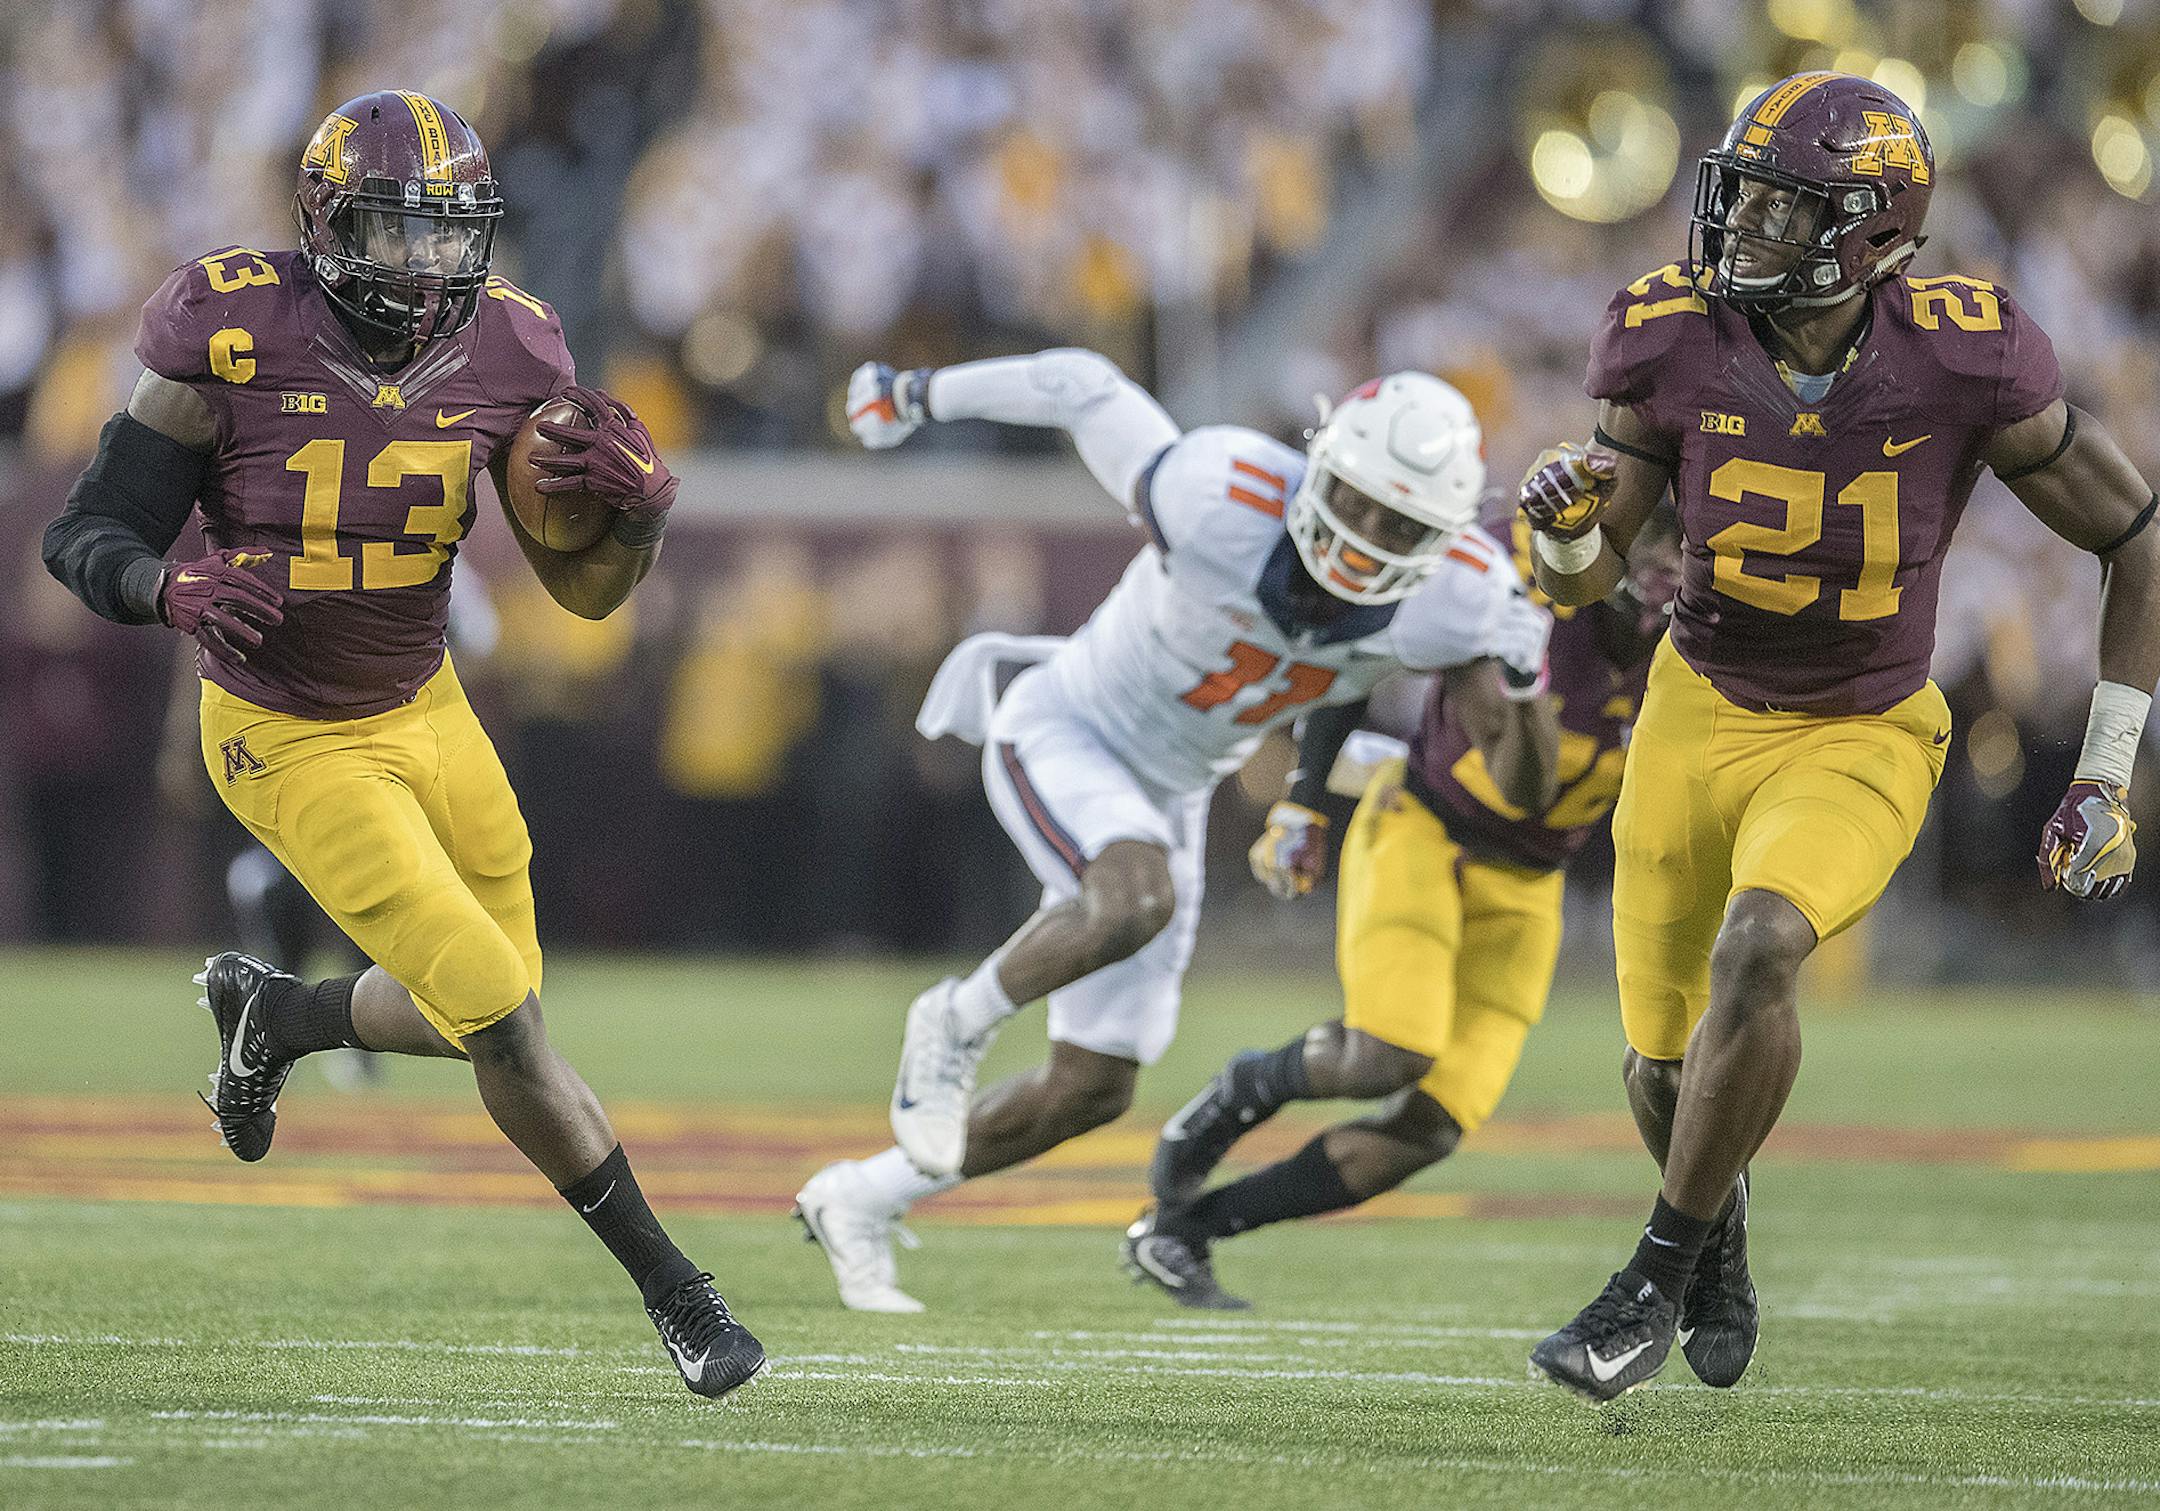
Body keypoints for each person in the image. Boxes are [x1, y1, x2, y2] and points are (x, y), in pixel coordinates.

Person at [40, 91, 763, 1399]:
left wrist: (641, 521)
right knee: (499, 1014)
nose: (428, 265)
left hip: (428, 708)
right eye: (396, 230)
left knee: (497, 999)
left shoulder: (513, 346)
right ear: (324, 222)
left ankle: (281, 1012)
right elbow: (87, 531)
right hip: (282, 727)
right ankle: (682, 1294)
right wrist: (167, 589)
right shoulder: (230, 325)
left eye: (449, 235)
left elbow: (586, 594)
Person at [1515, 71, 2160, 1402]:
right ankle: (1720, 1233)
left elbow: (2136, 539)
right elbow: (1585, 582)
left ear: (1870, 232)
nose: (1740, 224)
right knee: (1655, 1057)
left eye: (1779, 204)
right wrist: (1567, 525)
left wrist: (2106, 766)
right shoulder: (1666, 336)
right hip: (1697, 708)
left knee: (1765, 943)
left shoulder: (1966, 353)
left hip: (1863, 724)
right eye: (1739, 194)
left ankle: (1648, 1276)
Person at [792, 350, 1552, 1313]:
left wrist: (1523, 689)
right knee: (1135, 895)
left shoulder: (1463, 601)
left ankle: (860, 1198)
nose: (1363, 537)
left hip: (1174, 789)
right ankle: (957, 1017)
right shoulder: (1218, 494)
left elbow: (1508, 775)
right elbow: (1083, 386)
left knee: (1093, 1087)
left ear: (1440, 537)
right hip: (1068, 726)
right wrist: (918, 393)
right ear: (1317, 465)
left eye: (1398, 524)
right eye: (1355, 500)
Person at [1130, 519, 1679, 1308]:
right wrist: (1304, 799)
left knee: (1432, 1126)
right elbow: (1365, 652)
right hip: (1426, 830)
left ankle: (1184, 1230)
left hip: (1531, 882)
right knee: (1390, 1053)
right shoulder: (1509, 573)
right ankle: (1242, 1086)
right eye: (1654, 535)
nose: (1667, 560)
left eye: (1688, 542)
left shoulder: (1706, 639)